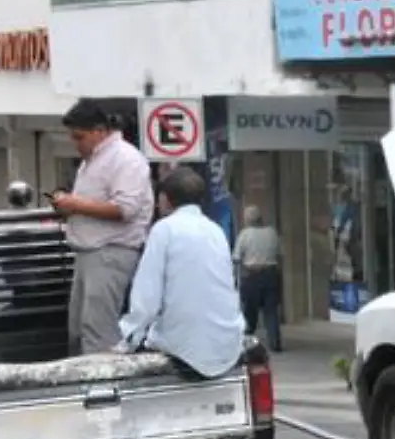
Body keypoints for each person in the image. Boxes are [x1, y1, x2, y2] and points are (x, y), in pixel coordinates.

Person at [118, 168, 245, 379]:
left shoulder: (164, 229)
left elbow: (147, 298)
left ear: (165, 199)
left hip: (182, 348)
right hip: (228, 344)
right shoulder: (215, 231)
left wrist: (128, 337)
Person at [52, 99, 152, 355]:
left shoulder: (125, 159)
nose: (76, 144)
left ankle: (103, 389)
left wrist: (75, 204)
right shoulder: (92, 160)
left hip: (111, 250)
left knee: (97, 330)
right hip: (90, 250)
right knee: (78, 328)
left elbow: (125, 209)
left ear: (99, 131)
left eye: (79, 137)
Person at [232, 205, 284, 352]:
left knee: (250, 311)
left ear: (247, 219)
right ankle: (275, 342)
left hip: (252, 275)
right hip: (271, 274)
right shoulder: (272, 233)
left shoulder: (245, 234)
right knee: (271, 311)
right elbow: (280, 254)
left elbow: (236, 257)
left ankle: (247, 342)